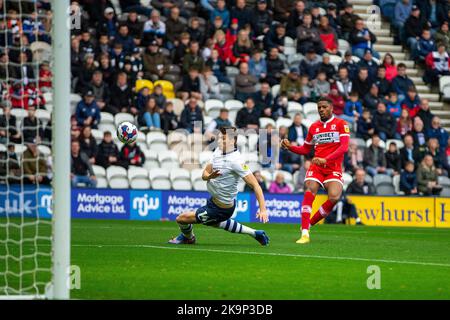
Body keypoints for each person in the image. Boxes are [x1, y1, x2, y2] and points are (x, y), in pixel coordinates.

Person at [168, 126, 269, 245]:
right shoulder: (218, 151)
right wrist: (210, 177)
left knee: (182, 219)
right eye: (219, 138)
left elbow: (256, 185)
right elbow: (204, 173)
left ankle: (188, 238)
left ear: (233, 141)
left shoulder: (236, 161)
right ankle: (255, 233)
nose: (220, 141)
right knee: (215, 222)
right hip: (213, 202)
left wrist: (262, 209)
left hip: (222, 208)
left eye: (224, 139)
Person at [281, 97, 350, 244]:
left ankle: (309, 224)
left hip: (333, 168)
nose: (321, 110)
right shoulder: (313, 127)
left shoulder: (341, 124)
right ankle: (305, 233)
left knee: (334, 197)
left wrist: (327, 159)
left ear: (331, 108)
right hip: (317, 166)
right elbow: (306, 149)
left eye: (324, 107)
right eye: (319, 108)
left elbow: (344, 147)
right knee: (310, 189)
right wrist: (290, 147)